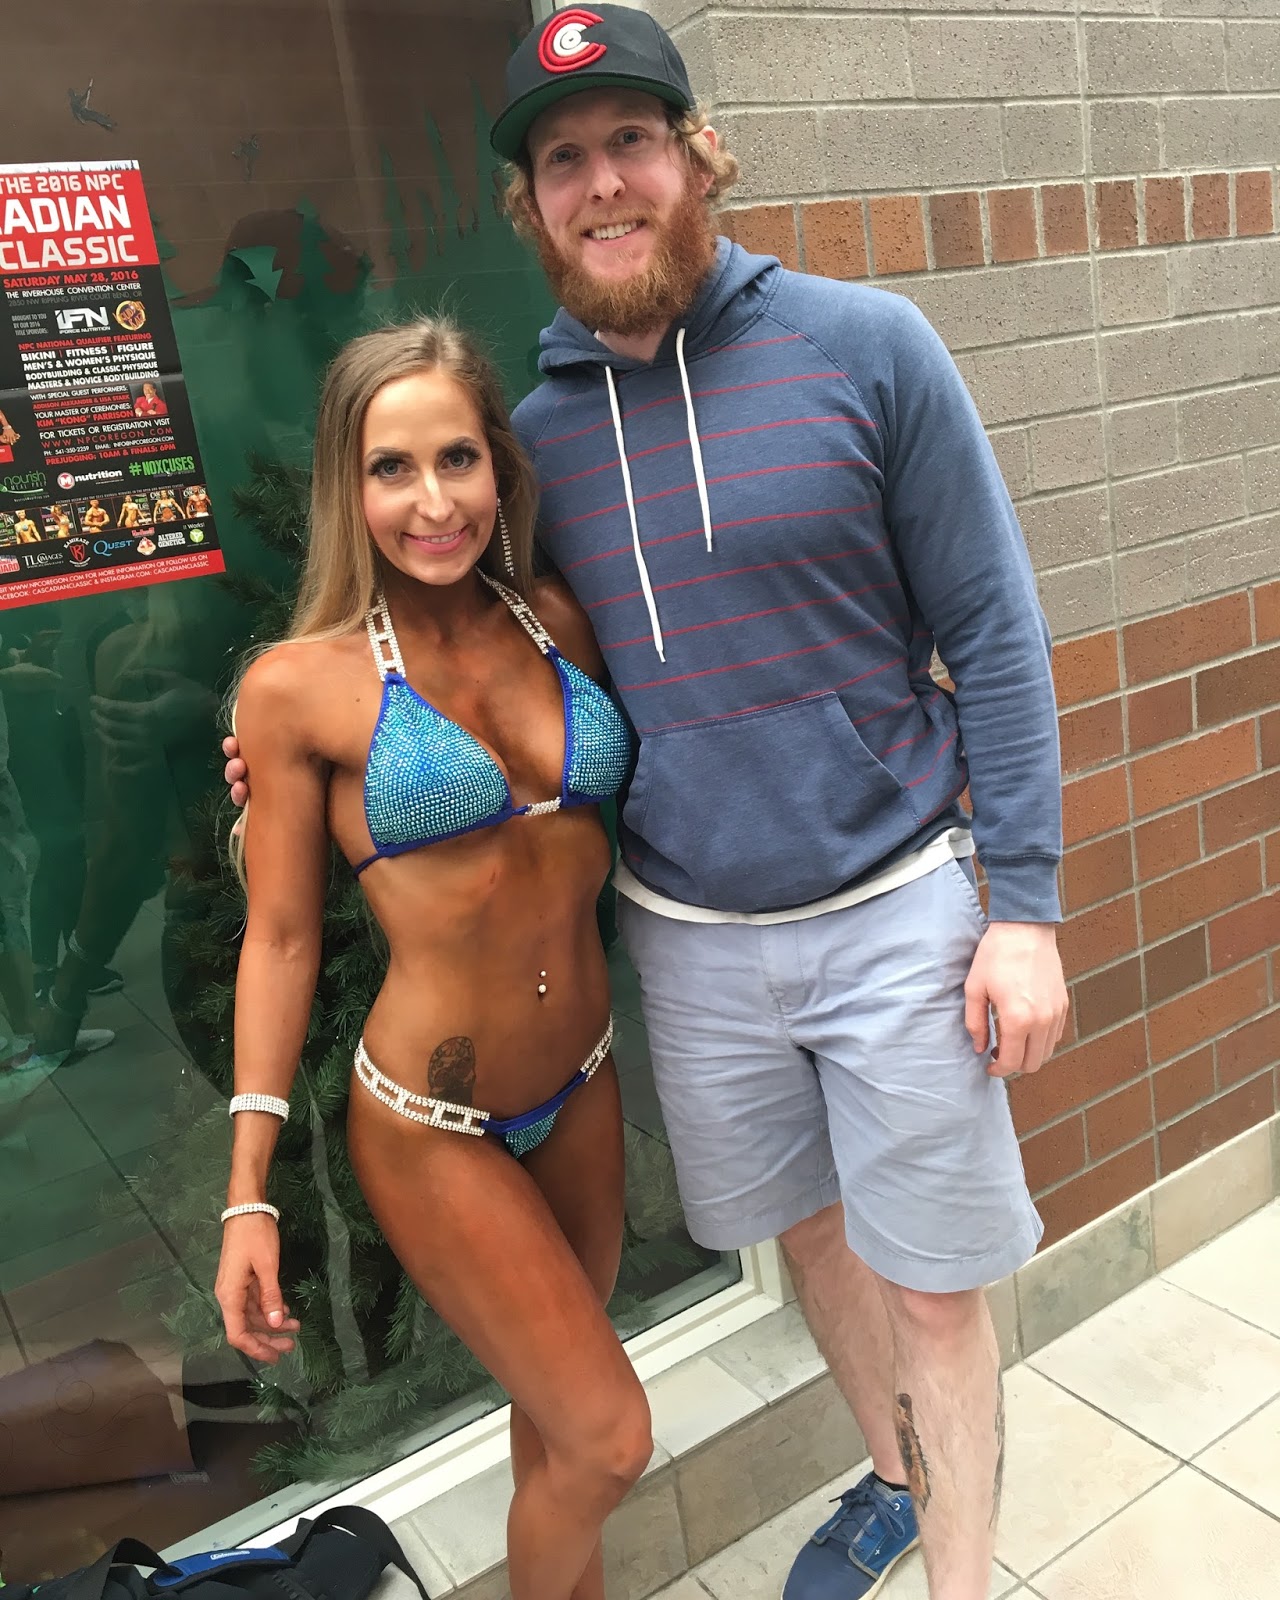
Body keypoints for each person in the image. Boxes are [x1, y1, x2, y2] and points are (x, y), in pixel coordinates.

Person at [226, 10, 1069, 1598]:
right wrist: (297, 757)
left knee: (934, 1289)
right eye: (564, 159)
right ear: (531, 205)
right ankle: (893, 1484)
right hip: (687, 941)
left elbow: (997, 633)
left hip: (895, 904)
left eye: (631, 140)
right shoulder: (535, 444)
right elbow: (457, 638)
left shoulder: (869, 348)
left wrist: (1023, 905)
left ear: (695, 156)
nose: (603, 182)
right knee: (804, 1237)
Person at [216, 319, 649, 1600]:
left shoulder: (557, 618)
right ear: (346, 490)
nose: (432, 502)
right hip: (430, 1118)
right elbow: (281, 937)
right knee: (610, 1439)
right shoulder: (297, 688)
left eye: (456, 458)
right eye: (390, 469)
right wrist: (248, 1189)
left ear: (498, 465)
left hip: (582, 1077)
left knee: (557, 1426)